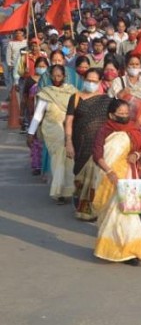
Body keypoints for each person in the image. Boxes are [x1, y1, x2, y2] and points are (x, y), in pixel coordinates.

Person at [91, 99, 141, 266]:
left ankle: (132, 251)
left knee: (129, 214)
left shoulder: (133, 129)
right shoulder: (104, 130)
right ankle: (110, 250)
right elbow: (97, 154)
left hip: (128, 176)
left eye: (126, 113)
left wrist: (136, 155)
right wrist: (109, 172)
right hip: (108, 177)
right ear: (111, 115)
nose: (124, 116)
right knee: (110, 214)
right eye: (120, 114)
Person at [108, 54, 141, 204]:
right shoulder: (118, 82)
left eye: (137, 64)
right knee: (125, 160)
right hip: (121, 127)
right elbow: (110, 103)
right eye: (131, 64)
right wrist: (121, 94)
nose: (134, 67)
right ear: (126, 66)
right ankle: (124, 198)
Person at [65, 68, 112, 221]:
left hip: (98, 145)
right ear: (83, 80)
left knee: (96, 178)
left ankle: (92, 209)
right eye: (88, 80)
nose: (90, 83)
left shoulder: (106, 100)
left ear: (99, 82)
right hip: (80, 142)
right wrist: (69, 143)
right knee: (80, 176)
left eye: (94, 81)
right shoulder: (76, 97)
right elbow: (69, 121)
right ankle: (79, 201)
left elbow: (111, 122)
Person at [27, 65, 78, 204]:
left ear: (64, 76)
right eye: (54, 76)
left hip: (68, 128)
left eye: (59, 76)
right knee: (58, 157)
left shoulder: (72, 92)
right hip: (52, 129)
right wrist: (31, 133)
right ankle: (58, 192)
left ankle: (67, 190)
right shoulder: (46, 93)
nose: (56, 79)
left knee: (69, 159)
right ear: (50, 77)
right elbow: (38, 115)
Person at [23, 57, 49, 175]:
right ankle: (37, 165)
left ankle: (46, 165)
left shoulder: (50, 81)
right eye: (40, 66)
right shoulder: (31, 81)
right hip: (34, 114)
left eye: (44, 66)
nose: (41, 68)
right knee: (36, 142)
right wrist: (23, 114)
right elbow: (26, 98)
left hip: (48, 116)